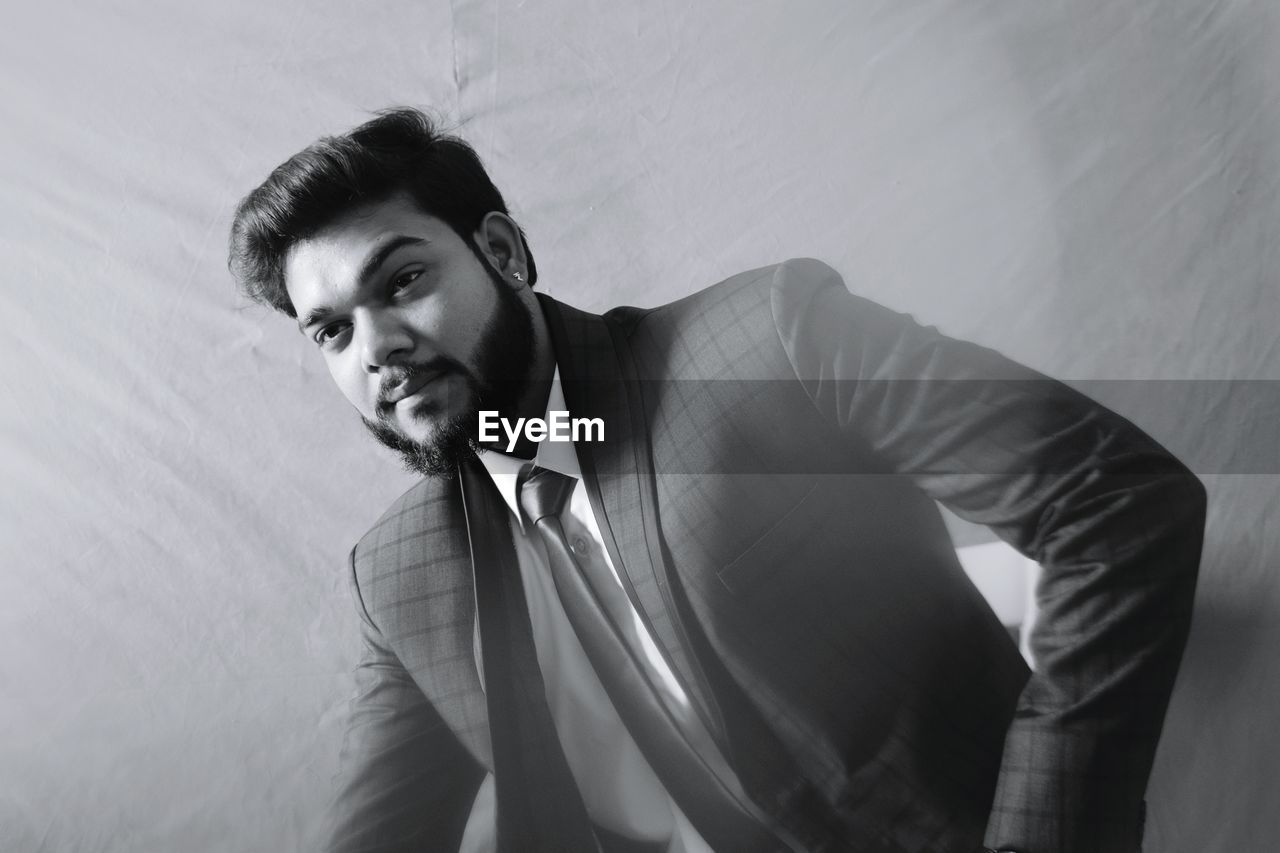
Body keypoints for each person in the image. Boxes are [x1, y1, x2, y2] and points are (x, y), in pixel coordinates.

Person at [228, 108, 1206, 853]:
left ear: (502, 252)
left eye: (401, 282)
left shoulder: (760, 344)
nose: (377, 349)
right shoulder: (400, 573)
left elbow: (1110, 498)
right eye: (331, 331)